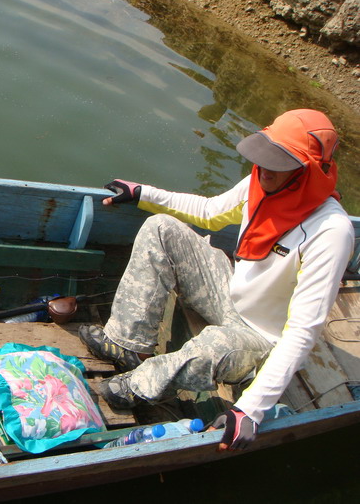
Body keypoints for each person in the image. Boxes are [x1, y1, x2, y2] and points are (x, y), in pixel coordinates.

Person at [79, 109, 355, 451]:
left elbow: (303, 330)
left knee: (212, 345)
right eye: (264, 156)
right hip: (232, 292)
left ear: (307, 170)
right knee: (161, 228)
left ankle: (133, 388)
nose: (265, 167)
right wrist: (142, 193)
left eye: (279, 163)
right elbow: (209, 212)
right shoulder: (262, 180)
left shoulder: (331, 231)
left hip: (263, 336)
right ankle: (126, 344)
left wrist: (250, 409)